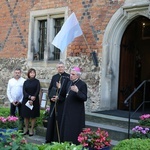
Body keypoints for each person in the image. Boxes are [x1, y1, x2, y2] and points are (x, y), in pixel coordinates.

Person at [60, 66, 87, 145]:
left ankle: (74, 144)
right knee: (66, 128)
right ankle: (65, 143)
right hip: (67, 110)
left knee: (73, 130)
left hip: (76, 112)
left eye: (73, 74)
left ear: (78, 75)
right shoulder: (69, 82)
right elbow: (66, 94)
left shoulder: (82, 84)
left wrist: (77, 91)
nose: (70, 75)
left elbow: (84, 97)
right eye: (70, 74)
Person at [45, 61, 70, 143]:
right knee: (52, 121)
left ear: (64, 67)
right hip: (53, 103)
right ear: (57, 68)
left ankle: (58, 140)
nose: (60, 68)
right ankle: (50, 138)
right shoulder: (54, 77)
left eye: (62, 67)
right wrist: (50, 98)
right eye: (59, 67)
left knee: (59, 121)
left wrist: (59, 89)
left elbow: (67, 92)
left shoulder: (68, 77)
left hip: (61, 103)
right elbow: (50, 89)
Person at [21, 68, 41, 136]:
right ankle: (26, 129)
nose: (32, 74)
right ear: (28, 74)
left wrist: (33, 98)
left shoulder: (37, 81)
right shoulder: (25, 82)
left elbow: (37, 90)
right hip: (26, 100)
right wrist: (29, 97)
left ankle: (31, 129)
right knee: (26, 116)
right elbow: (24, 91)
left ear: (35, 74)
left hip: (34, 100)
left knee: (33, 116)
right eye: (31, 73)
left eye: (33, 73)